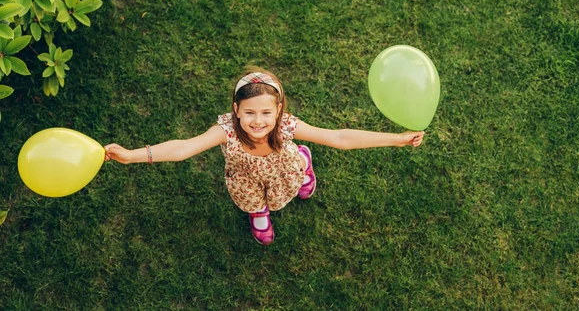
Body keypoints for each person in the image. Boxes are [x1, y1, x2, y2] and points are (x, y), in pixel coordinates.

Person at [104, 67, 424, 245]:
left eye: (266, 112)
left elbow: (339, 138)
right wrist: (132, 156)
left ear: (279, 110)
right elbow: (184, 147)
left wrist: (397, 139)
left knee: (294, 172)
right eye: (250, 112)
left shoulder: (286, 126)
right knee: (254, 201)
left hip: (283, 170)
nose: (258, 121)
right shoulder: (227, 130)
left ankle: (303, 163)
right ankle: (259, 212)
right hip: (247, 181)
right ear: (236, 111)